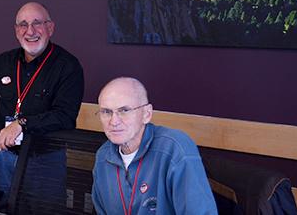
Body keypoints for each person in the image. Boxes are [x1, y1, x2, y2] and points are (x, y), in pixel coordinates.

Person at [0, 2, 84, 201]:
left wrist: (22, 124)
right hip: (5, 156)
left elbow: (65, 117)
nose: (30, 31)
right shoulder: (1, 63)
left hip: (45, 159)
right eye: (23, 25)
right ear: (16, 30)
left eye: (37, 23)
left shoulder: (68, 66)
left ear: (50, 28)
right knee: (7, 208)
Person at [92, 77, 217, 214]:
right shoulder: (103, 157)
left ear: (147, 114)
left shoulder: (175, 149)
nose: (114, 121)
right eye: (106, 112)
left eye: (124, 111)